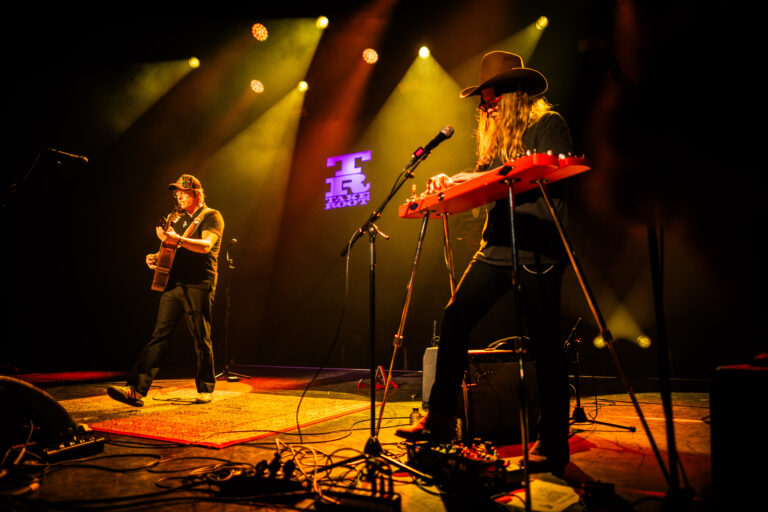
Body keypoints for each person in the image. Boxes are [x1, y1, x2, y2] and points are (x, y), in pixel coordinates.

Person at [395, 51, 573, 476]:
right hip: (496, 246)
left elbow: (539, 174)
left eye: (490, 99)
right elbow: (486, 180)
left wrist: (476, 179)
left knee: (544, 342)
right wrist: (454, 183)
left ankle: (553, 445)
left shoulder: (550, 124)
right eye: (482, 101)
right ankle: (440, 419)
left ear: (513, 96)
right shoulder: (495, 141)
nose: (484, 108)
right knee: (456, 317)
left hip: (538, 246)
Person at [107, 174, 225, 407]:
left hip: (199, 283)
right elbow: (170, 248)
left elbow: (206, 245)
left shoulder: (212, 216)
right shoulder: (176, 217)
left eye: (184, 192)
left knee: (201, 336)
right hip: (173, 283)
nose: (179, 196)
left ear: (197, 194)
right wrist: (155, 257)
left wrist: (177, 239)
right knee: (159, 335)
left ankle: (205, 387)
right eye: (176, 192)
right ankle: (137, 390)